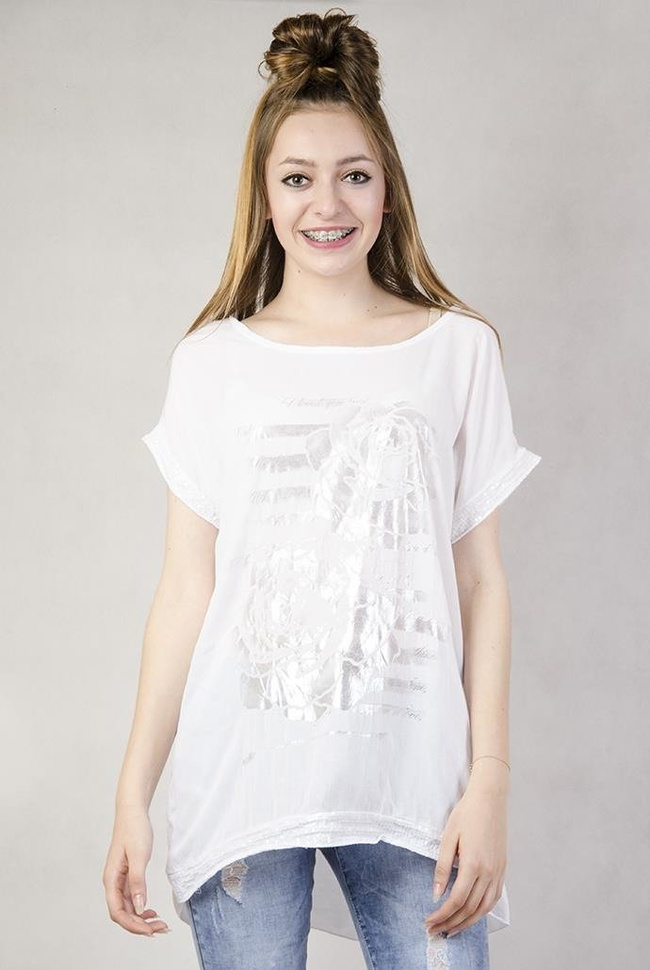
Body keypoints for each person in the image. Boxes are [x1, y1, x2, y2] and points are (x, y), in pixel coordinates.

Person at [102, 8, 542, 969]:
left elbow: (481, 583)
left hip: (412, 779)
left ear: (388, 190)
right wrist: (134, 792)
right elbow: (185, 589)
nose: (327, 204)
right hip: (244, 776)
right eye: (297, 178)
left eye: (355, 175)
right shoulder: (212, 362)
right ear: (264, 197)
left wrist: (491, 781)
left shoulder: (458, 351)